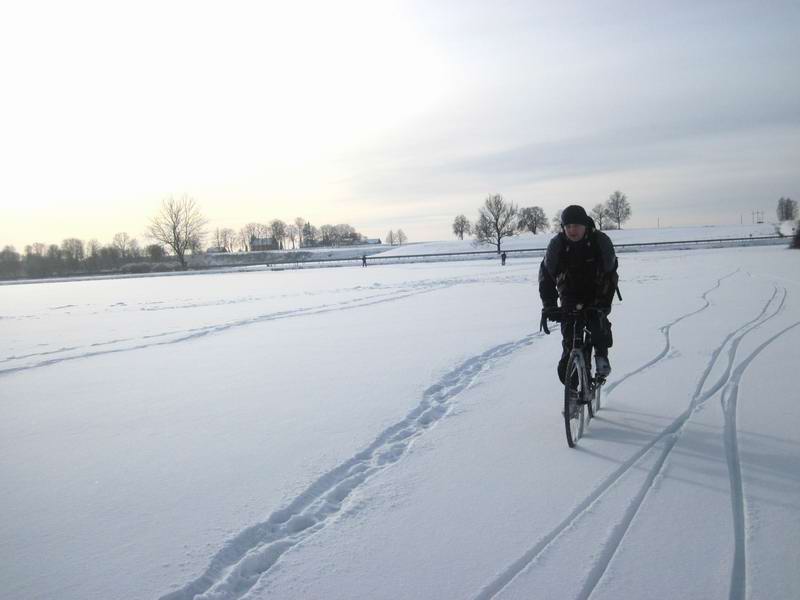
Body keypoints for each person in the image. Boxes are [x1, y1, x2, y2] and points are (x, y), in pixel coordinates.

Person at [538, 205, 618, 383]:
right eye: (568, 227)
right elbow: (546, 279)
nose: (572, 230)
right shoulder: (557, 245)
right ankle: (572, 387)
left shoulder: (600, 241)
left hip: (597, 290)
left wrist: (603, 303)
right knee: (569, 337)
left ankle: (601, 355)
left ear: (585, 226)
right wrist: (549, 306)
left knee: (597, 325)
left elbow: (610, 275)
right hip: (569, 292)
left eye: (576, 226)